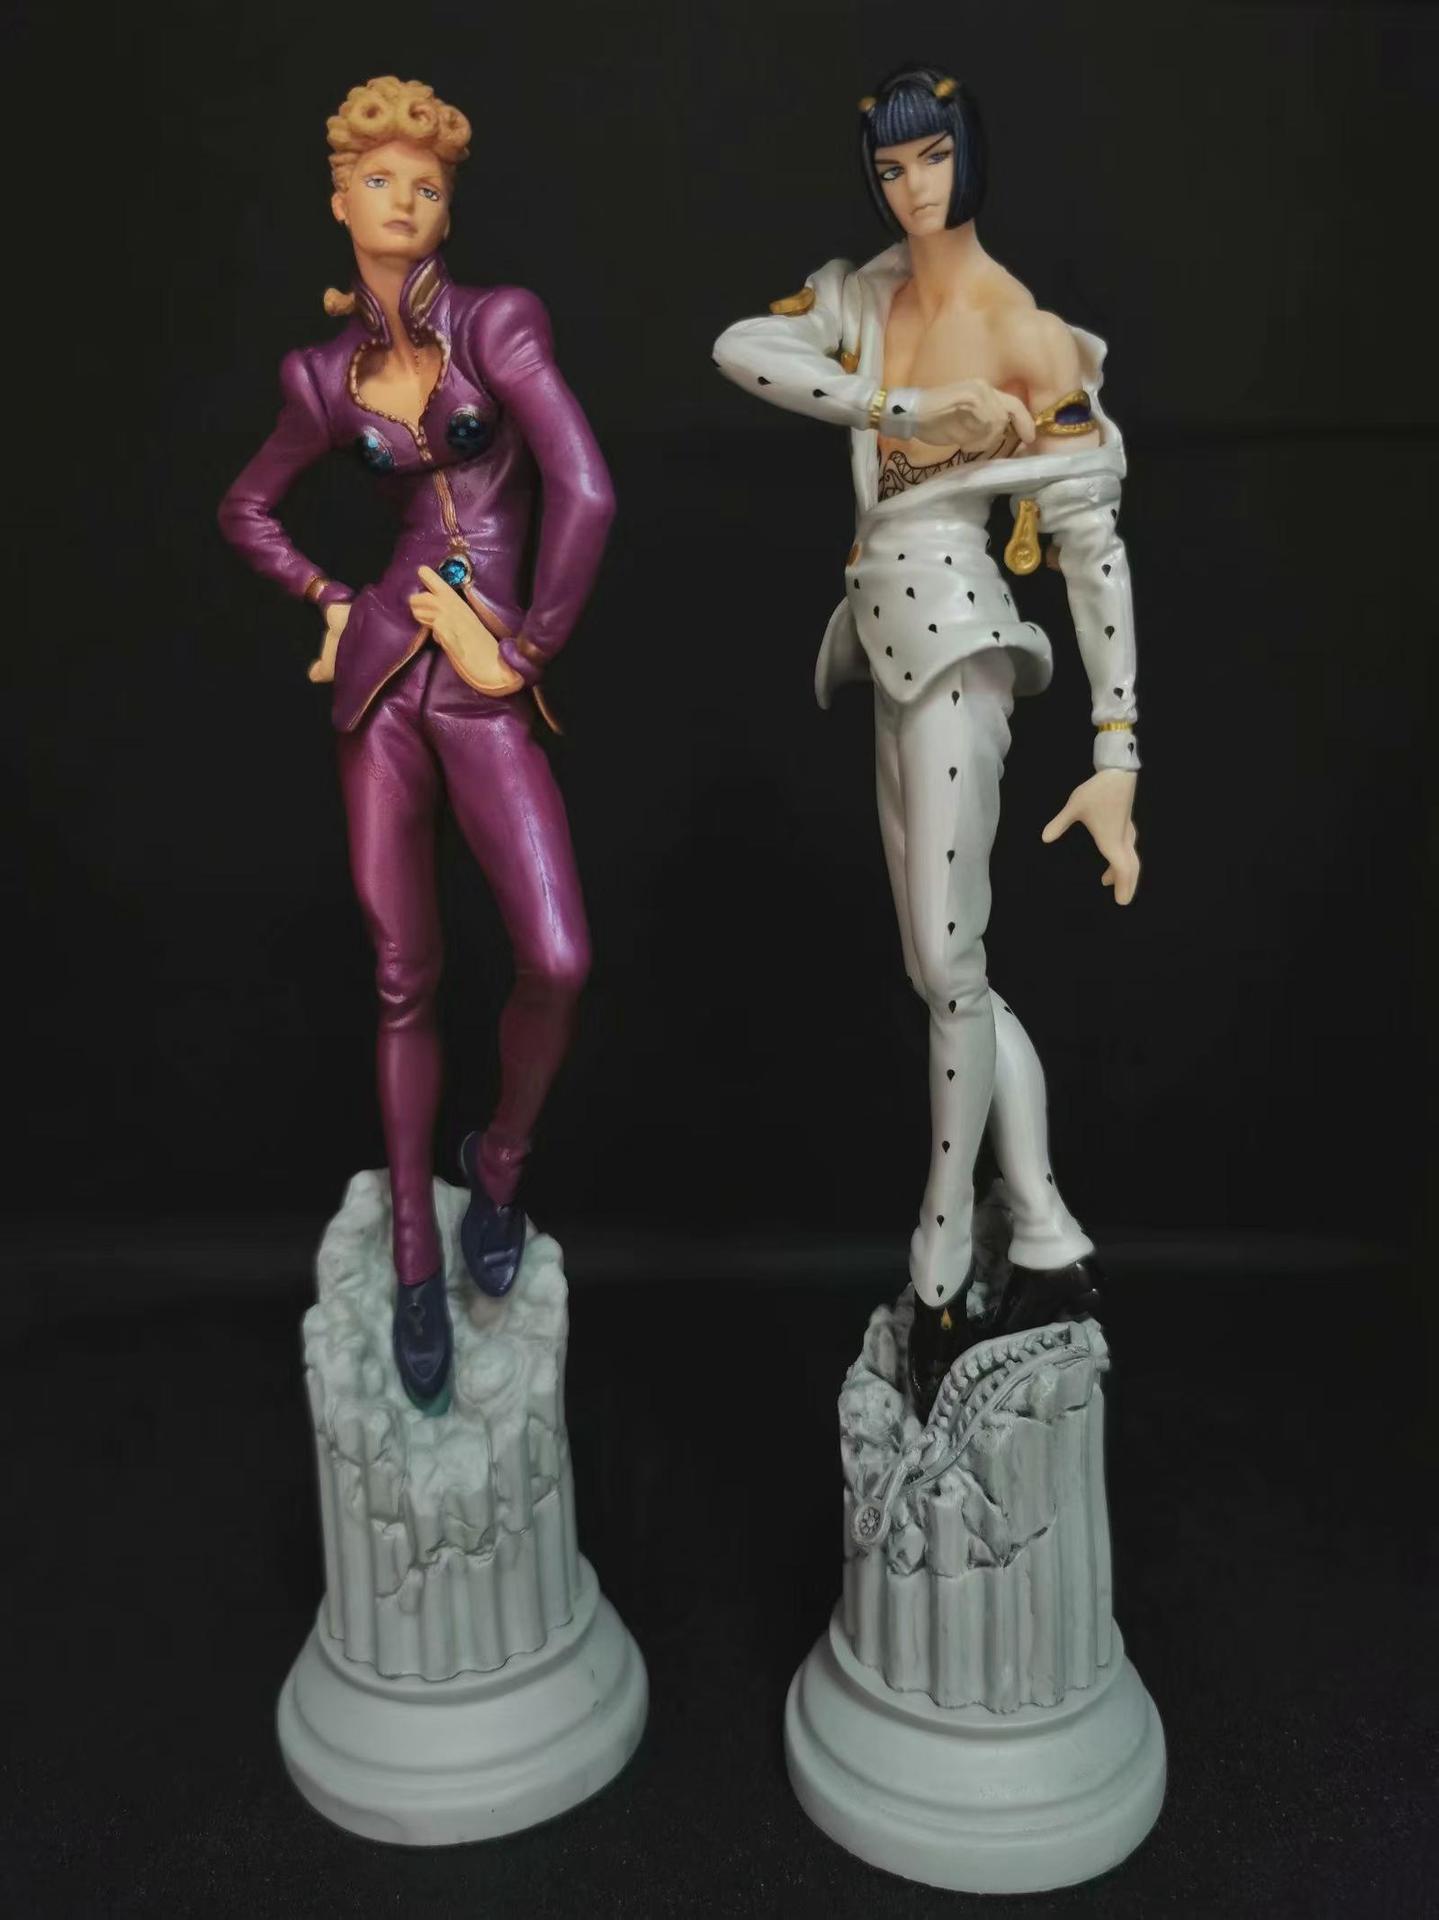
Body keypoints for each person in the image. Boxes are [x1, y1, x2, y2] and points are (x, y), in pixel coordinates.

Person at [713, 66, 1140, 1417]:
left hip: (962, 640)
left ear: (970, 155)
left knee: (951, 968)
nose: (912, 187)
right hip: (884, 639)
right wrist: (906, 411)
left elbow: (1093, 549)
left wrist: (1118, 752)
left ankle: (943, 1255)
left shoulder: (1026, 330)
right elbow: (741, 350)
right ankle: (1050, 1231)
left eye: (933, 159)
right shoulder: (864, 296)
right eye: (891, 167)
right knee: (942, 970)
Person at [219, 76, 613, 1412]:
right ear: (340, 199)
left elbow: (587, 490)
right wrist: (332, 597)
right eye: (379, 179)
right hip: (384, 684)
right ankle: (409, 1249)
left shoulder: (499, 325)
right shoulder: (319, 377)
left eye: (427, 184)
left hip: (483, 678)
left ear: (450, 207)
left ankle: (497, 1163)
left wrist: (526, 651)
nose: (404, 200)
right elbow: (248, 510)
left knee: (556, 957)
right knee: (404, 976)